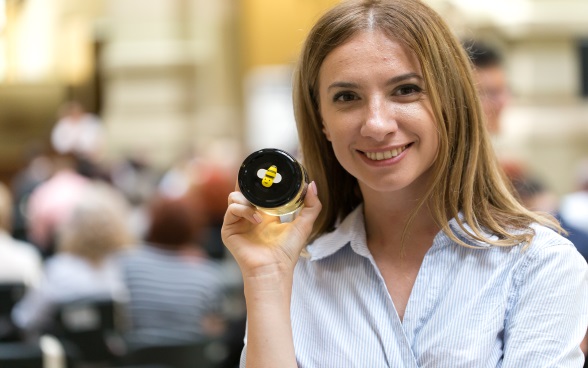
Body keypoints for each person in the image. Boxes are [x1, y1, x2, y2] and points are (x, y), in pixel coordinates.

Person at [221, 0, 588, 367]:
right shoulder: (294, 271)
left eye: (405, 90)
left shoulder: (536, 263)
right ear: (322, 121)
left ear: (451, 101)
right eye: (347, 97)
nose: (377, 124)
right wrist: (266, 279)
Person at [12, 182, 133, 339]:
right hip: (116, 359)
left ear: (71, 228)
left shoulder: (58, 270)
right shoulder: (127, 269)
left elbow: (25, 319)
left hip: (67, 358)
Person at [118, 194, 226, 349]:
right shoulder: (208, 276)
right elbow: (213, 332)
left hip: (135, 358)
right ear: (195, 229)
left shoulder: (127, 264)